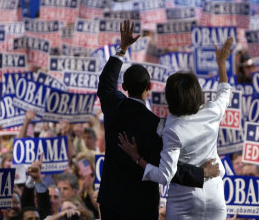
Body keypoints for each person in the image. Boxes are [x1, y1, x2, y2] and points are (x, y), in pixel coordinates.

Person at [97, 20, 220, 220]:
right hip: (141, 207)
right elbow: (169, 169)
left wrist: (122, 49)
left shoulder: (113, 106)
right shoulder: (157, 125)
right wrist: (201, 173)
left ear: (125, 87)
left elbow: (106, 83)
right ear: (150, 86)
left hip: (111, 202)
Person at [119, 37, 234, 219]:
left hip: (185, 201)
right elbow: (225, 93)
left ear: (170, 99)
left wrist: (137, 158)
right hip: (214, 194)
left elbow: (164, 176)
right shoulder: (212, 112)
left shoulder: (172, 130)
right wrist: (221, 63)